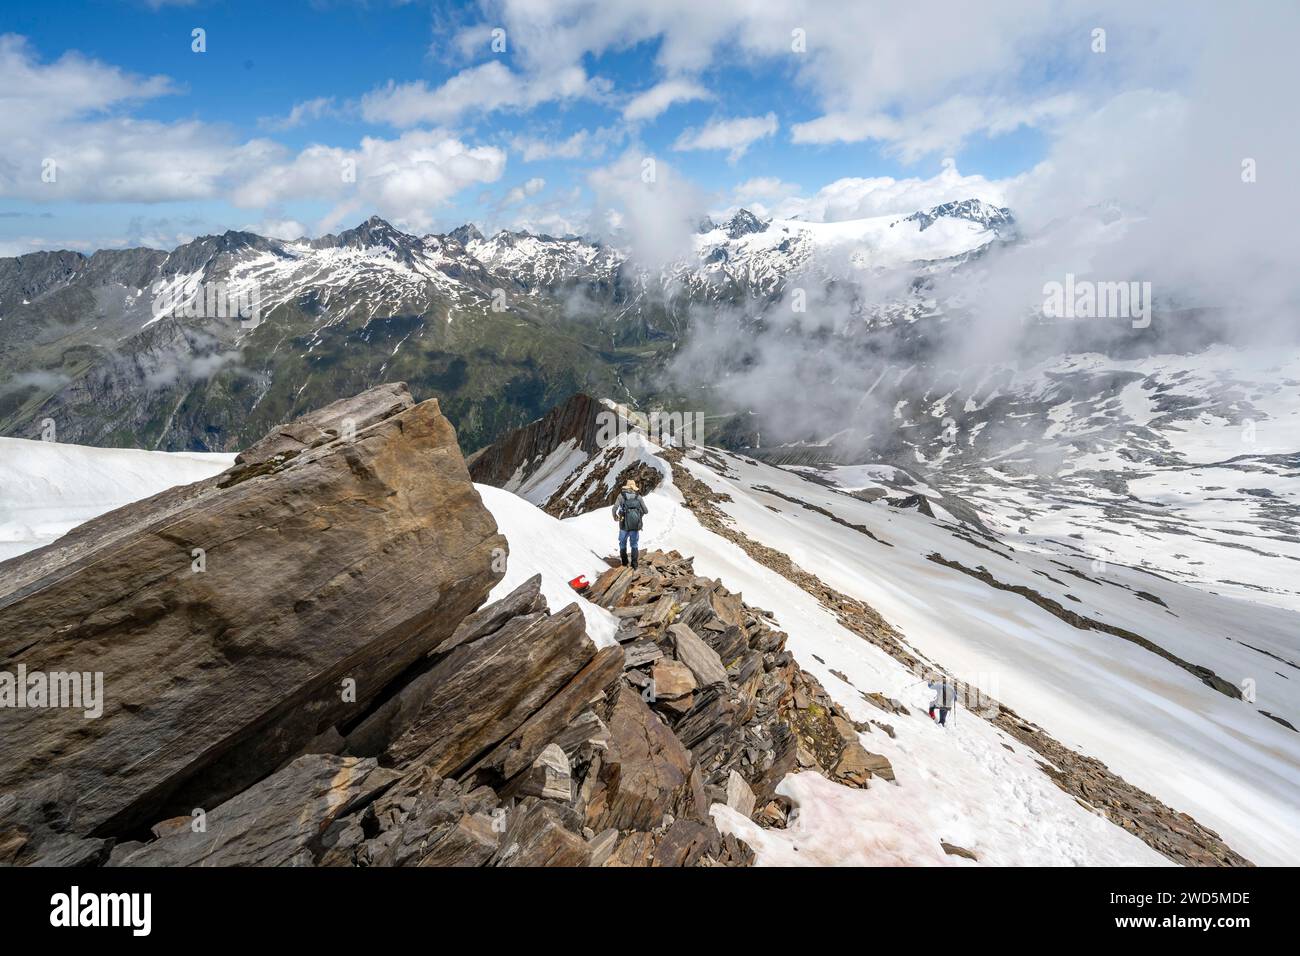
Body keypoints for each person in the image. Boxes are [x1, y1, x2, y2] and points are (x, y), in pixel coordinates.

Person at [612, 479, 648, 569]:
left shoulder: (621, 496)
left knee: (622, 543)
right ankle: (634, 565)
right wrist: (638, 517)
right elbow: (646, 511)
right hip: (635, 526)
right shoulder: (638, 497)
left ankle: (624, 564)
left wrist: (615, 517)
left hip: (623, 525)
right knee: (634, 544)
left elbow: (614, 508)